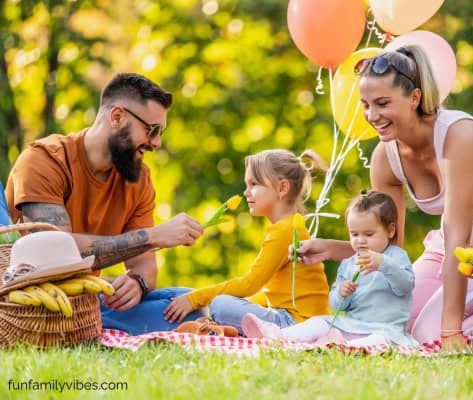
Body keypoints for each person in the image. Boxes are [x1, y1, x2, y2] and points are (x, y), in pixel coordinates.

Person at [293, 45, 473, 350]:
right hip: (447, 250)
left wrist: (450, 329)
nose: (372, 116)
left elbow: (458, 233)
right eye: (366, 105)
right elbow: (389, 249)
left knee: (431, 333)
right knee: (399, 323)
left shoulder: (460, 135)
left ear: (414, 98)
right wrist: (333, 249)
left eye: (383, 103)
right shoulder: (385, 158)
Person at [5, 73, 206, 335]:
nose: (156, 142)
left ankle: (99, 325)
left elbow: (145, 266)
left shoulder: (139, 180)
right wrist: (154, 236)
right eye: (151, 130)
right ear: (117, 117)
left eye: (160, 132)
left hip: (89, 300)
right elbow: (52, 254)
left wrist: (136, 283)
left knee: (191, 302)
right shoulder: (43, 160)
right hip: (31, 304)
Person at [164, 149, 330, 332]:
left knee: (220, 305)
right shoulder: (289, 226)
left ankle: (252, 331)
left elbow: (249, 284)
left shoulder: (285, 230)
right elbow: (270, 292)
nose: (246, 192)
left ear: (282, 188)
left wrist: (193, 299)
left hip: (296, 324)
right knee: (229, 303)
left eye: (254, 184)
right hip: (299, 320)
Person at [243, 190, 417, 347]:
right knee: (319, 322)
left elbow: (405, 286)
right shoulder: (349, 263)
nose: (360, 240)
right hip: (351, 325)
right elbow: (336, 305)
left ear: (390, 230)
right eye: (354, 234)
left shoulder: (395, 256)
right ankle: (278, 335)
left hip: (385, 330)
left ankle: (342, 347)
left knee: (377, 342)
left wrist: (383, 264)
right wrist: (342, 293)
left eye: (369, 234)